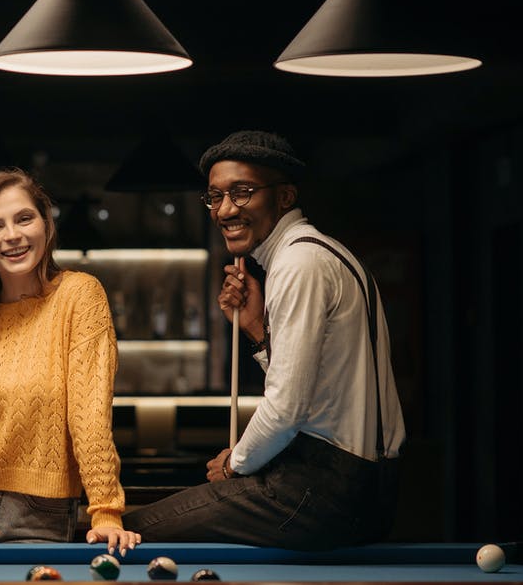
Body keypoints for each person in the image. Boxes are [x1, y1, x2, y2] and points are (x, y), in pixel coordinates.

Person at [124, 130, 406, 550]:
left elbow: (287, 408)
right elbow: (315, 386)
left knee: (132, 532)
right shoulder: (319, 252)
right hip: (357, 485)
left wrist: (235, 463)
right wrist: (257, 330)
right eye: (215, 197)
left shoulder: (298, 262)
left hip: (323, 486)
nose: (224, 210)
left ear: (285, 197)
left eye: (242, 192)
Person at [0, 168, 140, 555]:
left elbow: (89, 412)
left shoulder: (79, 296)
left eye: (24, 218)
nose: (12, 235)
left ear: (45, 224)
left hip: (38, 515)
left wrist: (106, 510)